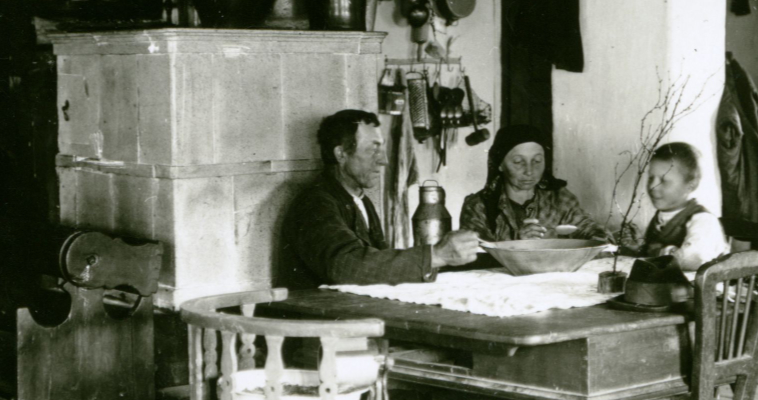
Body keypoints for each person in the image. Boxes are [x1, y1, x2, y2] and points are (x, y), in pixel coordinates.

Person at [280, 110, 479, 288]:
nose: (383, 160)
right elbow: (346, 266)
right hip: (318, 324)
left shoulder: (359, 199)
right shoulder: (315, 203)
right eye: (372, 149)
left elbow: (377, 262)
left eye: (381, 149)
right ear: (340, 154)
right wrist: (434, 255)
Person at [459, 124, 607, 242]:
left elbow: (591, 230)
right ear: (500, 164)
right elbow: (473, 255)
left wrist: (605, 240)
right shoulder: (479, 206)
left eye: (537, 161)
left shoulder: (559, 199)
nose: (529, 171)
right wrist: (515, 242)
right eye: (518, 162)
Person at [642, 142, 728, 272]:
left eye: (664, 181)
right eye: (650, 178)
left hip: (705, 290)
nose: (653, 186)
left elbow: (691, 260)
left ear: (691, 185)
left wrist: (657, 252)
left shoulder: (703, 221)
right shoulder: (661, 216)